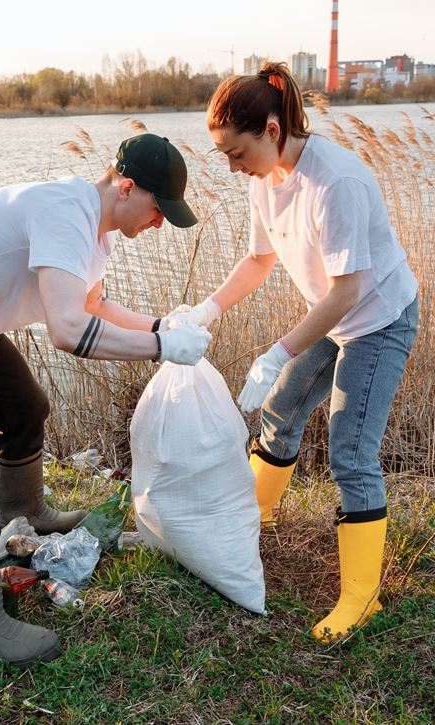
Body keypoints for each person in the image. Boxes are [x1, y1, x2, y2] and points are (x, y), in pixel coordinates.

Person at [0, 133, 211, 669]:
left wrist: (159, 324)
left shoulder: (99, 226)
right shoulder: (63, 214)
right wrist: (162, 347)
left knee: (25, 408)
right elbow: (69, 330)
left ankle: (24, 513)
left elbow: (91, 302)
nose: (160, 222)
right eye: (159, 209)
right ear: (126, 188)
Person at [180, 62, 419, 643]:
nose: (234, 169)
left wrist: (277, 350)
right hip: (336, 321)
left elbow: (348, 291)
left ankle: (362, 598)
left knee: (351, 451)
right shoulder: (266, 180)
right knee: (281, 409)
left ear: (270, 128)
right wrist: (205, 310)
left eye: (237, 153)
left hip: (378, 321)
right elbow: (260, 260)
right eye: (225, 157)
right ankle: (253, 518)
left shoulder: (336, 182)